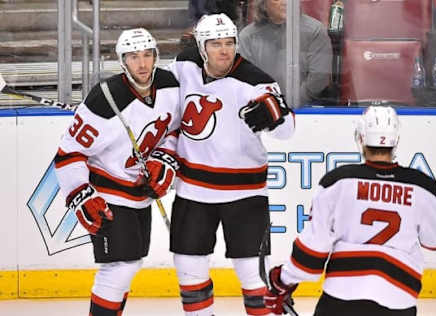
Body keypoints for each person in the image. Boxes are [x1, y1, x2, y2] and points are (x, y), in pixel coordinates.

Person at [263, 106, 436, 315]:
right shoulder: (422, 186)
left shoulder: (338, 181)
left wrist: (282, 281)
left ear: (361, 139)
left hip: (342, 297)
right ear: (396, 141)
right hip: (398, 298)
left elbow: (312, 254)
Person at [164, 13, 295, 316]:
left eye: (229, 43)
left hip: (245, 194)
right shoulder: (184, 66)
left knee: (252, 274)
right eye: (215, 44)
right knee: (188, 268)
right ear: (201, 46)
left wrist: (275, 113)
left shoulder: (255, 80)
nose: (224, 50)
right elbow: (163, 106)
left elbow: (288, 130)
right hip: (193, 191)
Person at [54, 28, 181, 315]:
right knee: (120, 266)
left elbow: (176, 128)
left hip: (140, 193)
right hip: (107, 192)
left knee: (130, 263)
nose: (142, 63)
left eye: (148, 55)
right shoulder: (104, 99)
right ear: (123, 61)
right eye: (134, 56)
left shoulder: (170, 85)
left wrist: (165, 158)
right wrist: (80, 195)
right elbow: (68, 154)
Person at [238, 0, 332, 108]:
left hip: (306, 110)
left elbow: (319, 77)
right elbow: (245, 79)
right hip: (263, 108)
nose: (286, 2)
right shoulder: (248, 36)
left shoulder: (315, 31)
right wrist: (269, 104)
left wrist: (289, 104)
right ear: (263, 4)